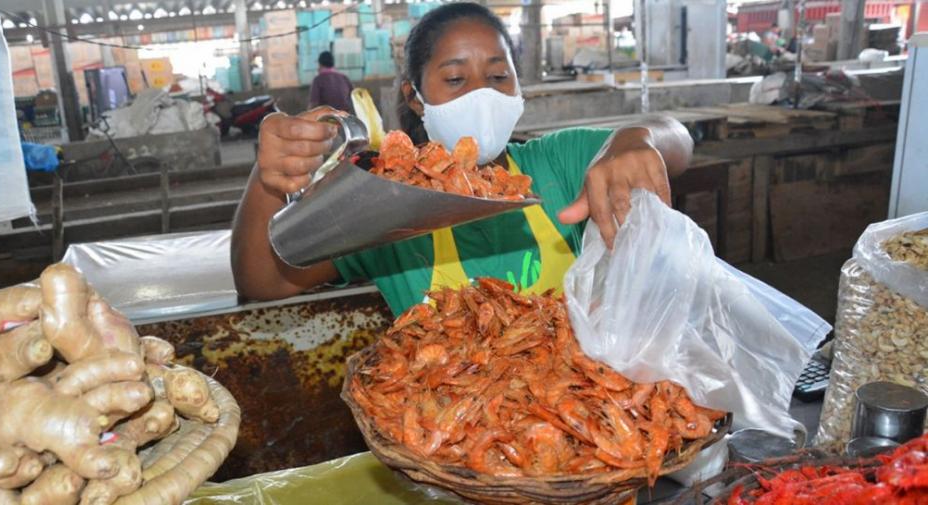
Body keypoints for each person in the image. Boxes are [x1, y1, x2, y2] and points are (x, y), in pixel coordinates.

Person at [232, 2, 693, 316]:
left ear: (519, 89)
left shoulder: (558, 163)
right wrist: (269, 180)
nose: (482, 94)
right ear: (416, 98)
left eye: (498, 76)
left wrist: (634, 140)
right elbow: (262, 281)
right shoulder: (383, 203)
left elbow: (677, 139)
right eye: (455, 80)